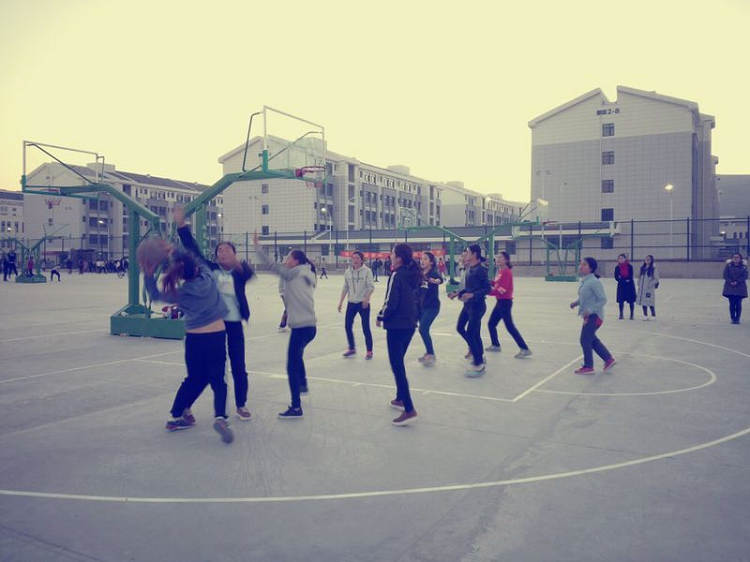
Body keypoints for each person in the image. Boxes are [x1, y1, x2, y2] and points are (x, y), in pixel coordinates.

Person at [143, 247, 234, 444]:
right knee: (218, 380)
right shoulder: (208, 277)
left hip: (194, 339)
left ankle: (175, 416)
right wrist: (175, 249)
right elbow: (197, 258)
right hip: (216, 336)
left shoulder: (180, 293)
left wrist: (149, 274)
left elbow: (154, 295)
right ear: (196, 268)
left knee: (194, 378)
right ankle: (220, 417)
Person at [176, 209, 256, 421]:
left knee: (239, 366)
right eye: (219, 250)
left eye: (226, 249)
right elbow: (192, 249)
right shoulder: (209, 269)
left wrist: (236, 262)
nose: (222, 252)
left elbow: (248, 273)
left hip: (234, 323)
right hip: (213, 326)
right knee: (207, 371)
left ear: (234, 254)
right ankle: (186, 407)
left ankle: (241, 405)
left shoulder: (239, 272)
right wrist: (182, 226)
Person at [254, 234, 317, 419]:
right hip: (309, 326)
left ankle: (296, 407)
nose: (285, 260)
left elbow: (273, 266)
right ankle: (303, 384)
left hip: (301, 327)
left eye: (288, 257)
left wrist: (258, 249)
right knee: (297, 356)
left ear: (295, 261)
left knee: (291, 365)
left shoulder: (294, 273)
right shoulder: (306, 272)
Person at [377, 243, 422, 426]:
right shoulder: (412, 274)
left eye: (392, 254)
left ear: (399, 258)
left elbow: (391, 301)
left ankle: (409, 409)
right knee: (399, 361)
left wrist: (381, 315)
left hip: (397, 326)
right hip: (410, 324)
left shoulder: (397, 275)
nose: (390, 256)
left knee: (397, 366)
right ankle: (400, 398)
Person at [570, 257, 616, 374]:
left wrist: (590, 311)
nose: (581, 266)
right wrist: (576, 303)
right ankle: (608, 359)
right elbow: (585, 297)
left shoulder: (594, 282)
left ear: (591, 268)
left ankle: (588, 366)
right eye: (581, 264)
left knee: (585, 339)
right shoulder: (585, 281)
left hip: (595, 316)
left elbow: (603, 299)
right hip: (588, 316)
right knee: (591, 338)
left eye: (584, 265)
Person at [451, 245, 491, 377]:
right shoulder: (470, 269)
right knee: (461, 328)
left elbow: (487, 288)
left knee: (472, 333)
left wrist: (473, 295)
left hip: (477, 306)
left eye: (467, 252)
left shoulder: (480, 270)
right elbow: (469, 288)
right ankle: (479, 354)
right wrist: (458, 293)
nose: (465, 255)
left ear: (474, 254)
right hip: (468, 305)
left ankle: (479, 363)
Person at [486, 251, 531, 358]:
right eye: (497, 257)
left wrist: (487, 292)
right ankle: (495, 345)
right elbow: (496, 283)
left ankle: (524, 348)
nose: (498, 259)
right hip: (500, 302)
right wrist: (487, 281)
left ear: (506, 260)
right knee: (491, 323)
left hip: (505, 302)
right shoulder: (501, 271)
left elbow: (502, 289)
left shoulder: (506, 272)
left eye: (500, 257)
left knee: (509, 326)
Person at [338, 251, 375, 359]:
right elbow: (345, 287)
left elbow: (371, 287)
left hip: (363, 303)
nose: (355, 260)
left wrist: (366, 299)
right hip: (351, 303)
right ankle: (352, 348)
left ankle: (369, 351)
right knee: (347, 325)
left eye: (357, 258)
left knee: (365, 327)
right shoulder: (348, 272)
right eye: (353, 258)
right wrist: (341, 302)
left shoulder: (367, 271)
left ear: (362, 260)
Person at [417, 251, 442, 366]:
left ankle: (431, 354)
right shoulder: (420, 273)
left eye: (425, 259)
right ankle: (429, 352)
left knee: (423, 329)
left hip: (432, 307)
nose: (422, 261)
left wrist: (436, 281)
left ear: (431, 262)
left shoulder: (433, 273)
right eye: (421, 259)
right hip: (422, 306)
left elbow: (439, 279)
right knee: (423, 330)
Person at [722, 252, 748, 324]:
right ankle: (733, 318)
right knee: (732, 304)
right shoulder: (728, 266)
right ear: (732, 258)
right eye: (734, 257)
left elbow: (745, 276)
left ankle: (737, 318)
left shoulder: (744, 267)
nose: (736, 259)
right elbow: (725, 275)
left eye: (737, 257)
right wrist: (730, 281)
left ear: (740, 258)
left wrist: (737, 281)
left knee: (738, 304)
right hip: (730, 287)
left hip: (740, 288)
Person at [636, 255, 659, 320]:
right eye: (646, 259)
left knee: (650, 302)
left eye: (649, 259)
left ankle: (653, 315)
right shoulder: (642, 268)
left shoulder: (654, 269)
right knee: (643, 302)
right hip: (642, 288)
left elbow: (656, 279)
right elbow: (639, 276)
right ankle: (645, 315)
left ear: (651, 260)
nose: (647, 260)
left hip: (649, 289)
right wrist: (639, 283)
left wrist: (650, 285)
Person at [614, 253, 637, 320]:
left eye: (622, 258)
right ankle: (621, 314)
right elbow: (616, 276)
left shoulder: (629, 266)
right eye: (619, 258)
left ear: (625, 259)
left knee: (631, 301)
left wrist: (622, 278)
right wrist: (621, 279)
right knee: (621, 301)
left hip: (629, 286)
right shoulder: (617, 267)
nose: (620, 259)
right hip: (621, 285)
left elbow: (630, 276)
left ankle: (631, 314)